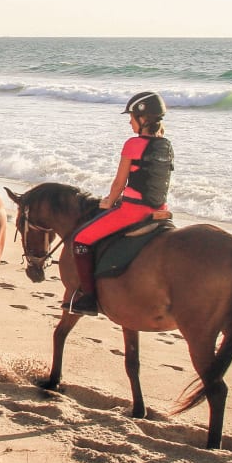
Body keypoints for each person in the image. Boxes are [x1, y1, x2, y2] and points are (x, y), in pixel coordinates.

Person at [68, 91, 174, 316]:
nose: (129, 121)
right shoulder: (167, 145)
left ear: (143, 119)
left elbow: (119, 183)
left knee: (81, 239)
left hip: (133, 212)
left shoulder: (133, 144)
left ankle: (89, 297)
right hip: (159, 211)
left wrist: (110, 201)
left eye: (132, 117)